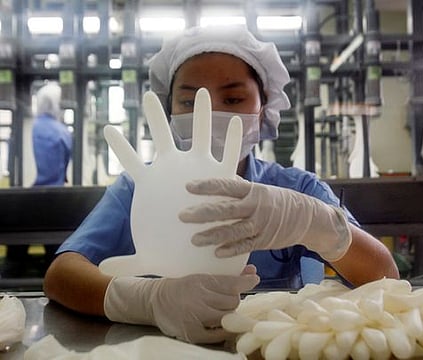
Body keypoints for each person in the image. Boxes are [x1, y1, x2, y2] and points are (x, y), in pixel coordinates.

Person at [44, 26, 399, 344]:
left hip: (269, 348)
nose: (209, 112)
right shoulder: (139, 188)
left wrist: (314, 224)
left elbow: (386, 277)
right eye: (188, 100)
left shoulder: (296, 190)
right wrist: (148, 301)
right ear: (169, 111)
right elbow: (61, 275)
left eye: (232, 99)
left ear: (263, 109)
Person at [5, 83, 72, 270]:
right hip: (54, 205)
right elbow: (67, 169)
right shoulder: (63, 132)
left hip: (21, 206)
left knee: (15, 259)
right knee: (55, 257)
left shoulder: (23, 129)